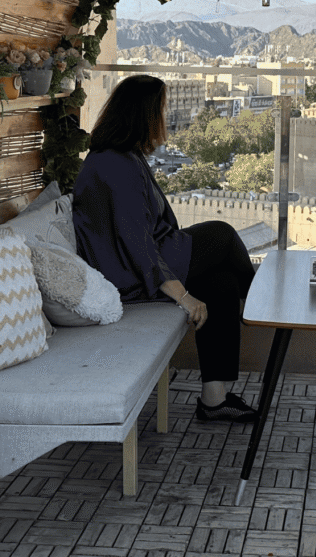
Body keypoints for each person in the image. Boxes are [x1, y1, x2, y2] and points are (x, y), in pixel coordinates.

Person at [73, 74, 257, 423]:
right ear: (142, 114)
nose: (165, 116)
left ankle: (214, 400)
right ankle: (257, 305)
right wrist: (182, 296)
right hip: (129, 275)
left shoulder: (122, 157)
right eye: (161, 109)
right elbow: (137, 244)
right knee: (222, 233)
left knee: (221, 284)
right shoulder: (114, 165)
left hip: (139, 262)